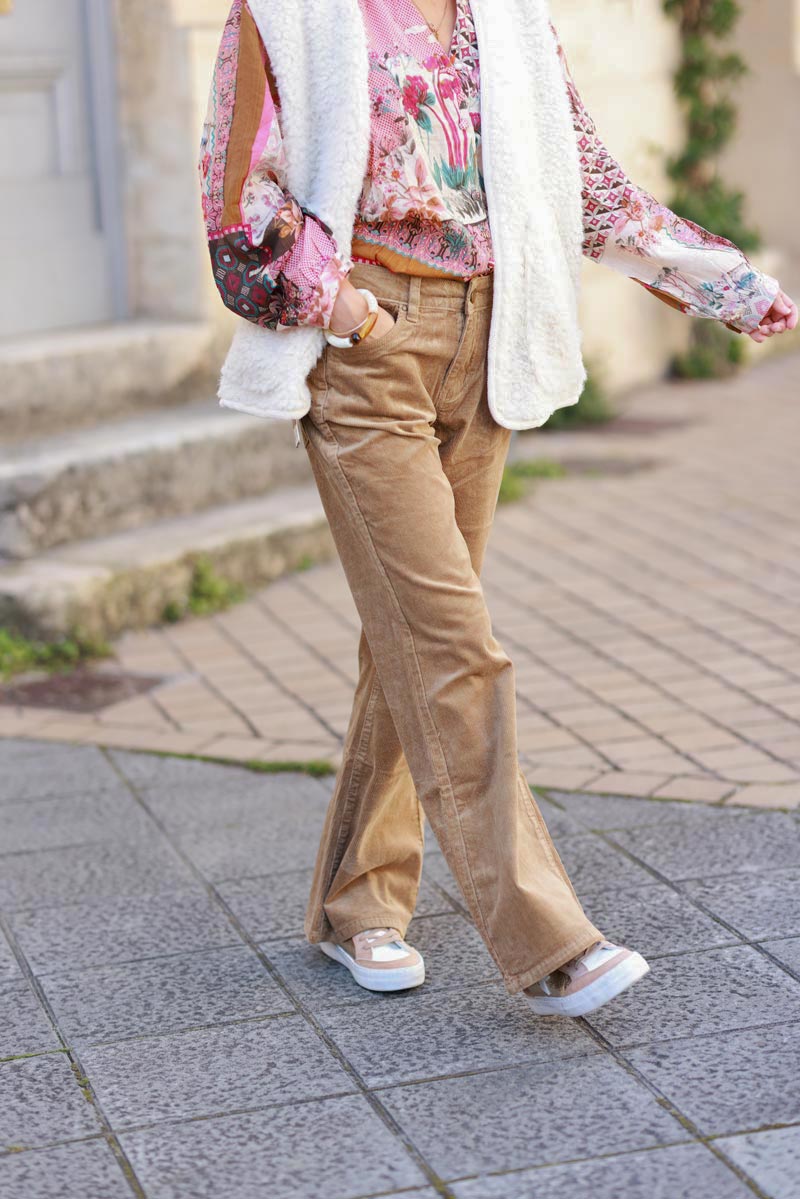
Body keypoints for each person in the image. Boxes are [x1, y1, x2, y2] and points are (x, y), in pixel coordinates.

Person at [199, 0, 797, 1018]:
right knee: (451, 643)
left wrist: (726, 284)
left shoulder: (507, 15)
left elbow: (584, 182)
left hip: (487, 348)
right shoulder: (288, 13)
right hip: (367, 350)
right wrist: (349, 314)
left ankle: (356, 904)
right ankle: (547, 938)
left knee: (411, 638)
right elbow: (237, 199)